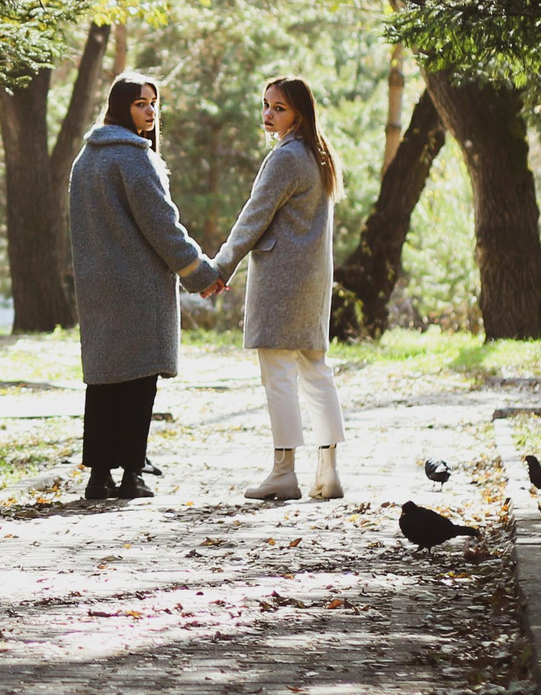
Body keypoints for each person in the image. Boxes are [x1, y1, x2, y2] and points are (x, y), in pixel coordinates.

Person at [66, 72, 224, 500]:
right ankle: (131, 475)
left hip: (99, 289)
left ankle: (98, 477)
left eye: (154, 102)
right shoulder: (135, 158)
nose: (150, 111)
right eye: (140, 103)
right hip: (137, 290)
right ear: (120, 107)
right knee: (138, 383)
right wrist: (202, 274)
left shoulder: (86, 159)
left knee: (103, 383)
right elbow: (164, 227)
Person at [209, 75, 346, 501]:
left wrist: (221, 267)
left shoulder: (285, 158)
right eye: (265, 105)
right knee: (316, 372)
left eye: (278, 108)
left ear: (299, 114)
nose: (267, 114)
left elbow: (254, 217)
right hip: (312, 279)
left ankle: (284, 471)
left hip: (282, 279)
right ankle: (329, 471)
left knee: (279, 374)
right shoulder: (318, 155)